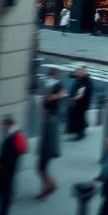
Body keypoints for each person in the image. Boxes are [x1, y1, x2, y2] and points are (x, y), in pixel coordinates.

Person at [37, 67, 65, 199]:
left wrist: (50, 97)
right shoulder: (49, 86)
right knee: (42, 168)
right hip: (46, 150)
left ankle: (51, 185)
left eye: (51, 75)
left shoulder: (57, 86)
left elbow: (59, 95)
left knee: (41, 168)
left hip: (46, 151)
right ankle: (46, 188)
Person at [67, 65, 93, 140]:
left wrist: (73, 98)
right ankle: (80, 131)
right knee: (79, 117)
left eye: (79, 72)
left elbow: (82, 93)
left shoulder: (86, 81)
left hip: (82, 102)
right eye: (77, 72)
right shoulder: (81, 78)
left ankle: (80, 134)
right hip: (80, 102)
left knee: (79, 117)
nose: (77, 73)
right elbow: (70, 75)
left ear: (84, 72)